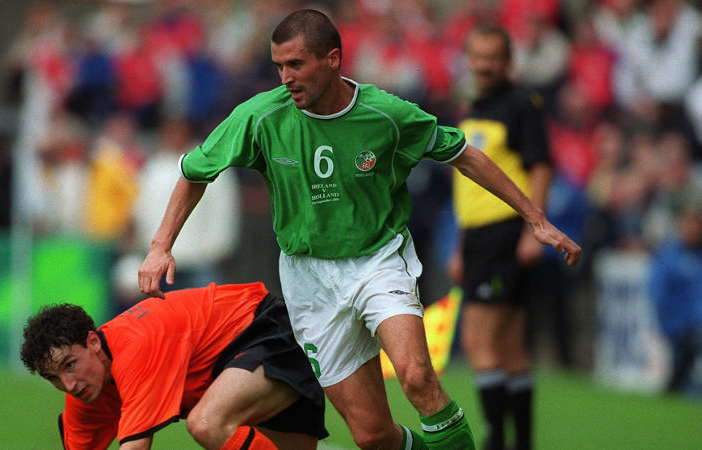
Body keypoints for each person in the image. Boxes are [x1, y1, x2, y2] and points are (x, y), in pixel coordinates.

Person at [138, 9, 581, 450]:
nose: (285, 77)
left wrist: (536, 219)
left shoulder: (386, 113)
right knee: (373, 436)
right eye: (278, 66)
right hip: (309, 279)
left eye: (297, 64)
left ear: (332, 59)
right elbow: (195, 171)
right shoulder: (259, 117)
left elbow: (465, 154)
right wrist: (161, 247)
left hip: (377, 260)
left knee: (417, 376)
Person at [20, 281, 328, 450]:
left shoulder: (134, 348)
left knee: (206, 424)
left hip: (267, 330)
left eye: (70, 364)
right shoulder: (84, 393)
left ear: (93, 342)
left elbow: (135, 448)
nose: (68, 384)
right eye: (53, 378)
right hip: (236, 370)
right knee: (372, 436)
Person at [447, 25, 553, 450]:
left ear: (508, 62)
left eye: (493, 57)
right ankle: (521, 443)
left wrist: (535, 227)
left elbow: (541, 166)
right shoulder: (473, 105)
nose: (484, 64)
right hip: (477, 236)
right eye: (477, 55)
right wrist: (459, 245)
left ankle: (496, 439)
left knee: (478, 341)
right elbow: (469, 183)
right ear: (468, 59)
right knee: (508, 345)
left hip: (504, 233)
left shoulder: (520, 104)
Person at [649, 197, 702, 395]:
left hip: (695, 325)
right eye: (690, 223)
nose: (694, 229)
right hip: (679, 326)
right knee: (681, 368)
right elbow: (659, 293)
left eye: (698, 224)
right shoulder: (669, 255)